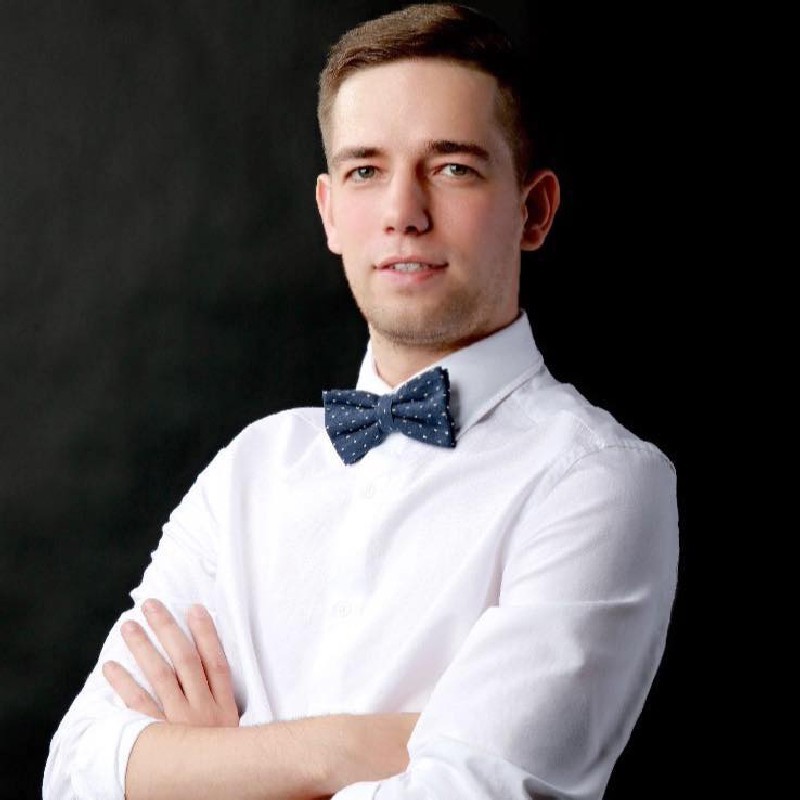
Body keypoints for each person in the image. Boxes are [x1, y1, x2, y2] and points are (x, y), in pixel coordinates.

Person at [44, 4, 678, 799]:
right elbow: (76, 769)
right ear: (330, 212)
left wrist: (212, 769)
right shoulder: (249, 469)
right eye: (365, 171)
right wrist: (336, 751)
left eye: (453, 168)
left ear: (535, 210)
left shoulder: (599, 481)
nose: (403, 214)